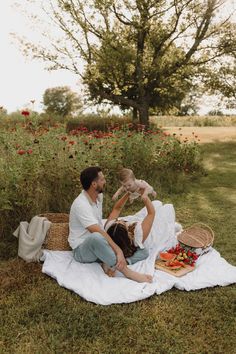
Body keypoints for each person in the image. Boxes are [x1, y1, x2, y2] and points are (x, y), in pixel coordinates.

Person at [68, 166, 154, 283]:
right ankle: (127, 271)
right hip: (83, 249)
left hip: (101, 244)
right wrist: (118, 250)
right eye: (102, 179)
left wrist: (130, 191)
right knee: (97, 237)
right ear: (94, 184)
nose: (105, 181)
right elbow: (97, 231)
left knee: (143, 251)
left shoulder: (99, 196)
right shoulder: (81, 204)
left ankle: (113, 263)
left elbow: (114, 212)